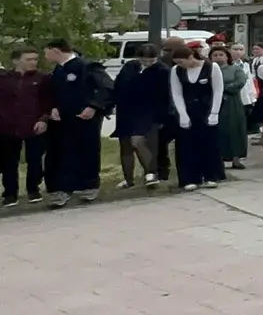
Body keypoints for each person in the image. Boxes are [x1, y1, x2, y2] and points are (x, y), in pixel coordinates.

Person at [42, 39, 112, 205]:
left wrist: (94, 106)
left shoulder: (87, 66)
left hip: (85, 118)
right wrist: (53, 108)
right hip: (63, 120)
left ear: (55, 51)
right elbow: (54, 93)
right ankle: (63, 189)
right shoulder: (58, 70)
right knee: (63, 153)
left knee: (87, 150)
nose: (45, 56)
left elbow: (107, 88)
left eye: (46, 52)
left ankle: (89, 185)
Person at [168, 44, 225, 191]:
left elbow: (218, 91)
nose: (180, 65)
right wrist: (182, 114)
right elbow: (177, 93)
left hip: (206, 109)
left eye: (182, 62)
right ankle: (189, 178)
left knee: (208, 143)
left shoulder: (211, 67)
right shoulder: (176, 71)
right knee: (186, 145)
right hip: (188, 109)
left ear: (191, 57)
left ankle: (210, 176)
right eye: (177, 63)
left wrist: (214, 113)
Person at [0, 47, 49, 206]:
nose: (33, 62)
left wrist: (43, 119)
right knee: (9, 161)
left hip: (34, 125)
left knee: (34, 159)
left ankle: (33, 189)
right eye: (28, 59)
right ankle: (10, 193)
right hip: (8, 126)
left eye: (35, 59)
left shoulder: (43, 79)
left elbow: (48, 101)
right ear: (16, 61)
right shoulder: (4, 79)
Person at [111, 43, 163, 190]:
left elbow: (164, 94)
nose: (147, 63)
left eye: (151, 60)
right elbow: (118, 85)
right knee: (126, 145)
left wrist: (161, 116)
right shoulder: (129, 67)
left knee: (138, 141)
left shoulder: (161, 70)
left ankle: (151, 173)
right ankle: (128, 179)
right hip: (126, 110)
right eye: (144, 60)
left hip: (147, 111)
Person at [209, 46, 251, 171]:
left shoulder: (235, 69)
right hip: (213, 103)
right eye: (215, 55)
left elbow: (240, 82)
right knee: (218, 131)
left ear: (227, 57)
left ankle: (236, 159)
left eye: (221, 55)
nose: (218, 57)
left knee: (235, 129)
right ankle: (218, 160)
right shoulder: (208, 70)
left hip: (232, 103)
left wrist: (221, 88)